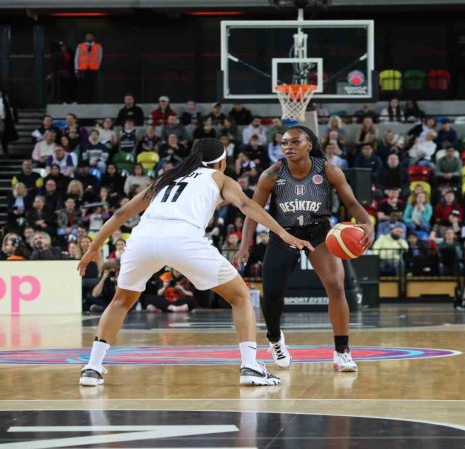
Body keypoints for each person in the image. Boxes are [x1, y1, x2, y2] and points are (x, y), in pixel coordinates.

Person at [77, 138, 313, 387]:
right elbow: (245, 205)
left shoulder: (166, 178)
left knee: (121, 302)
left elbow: (121, 214)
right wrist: (284, 233)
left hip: (143, 239)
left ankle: (92, 367)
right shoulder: (219, 178)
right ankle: (250, 366)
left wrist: (93, 248)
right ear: (221, 161)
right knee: (240, 297)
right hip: (183, 239)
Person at [234, 126, 375, 373]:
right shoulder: (272, 174)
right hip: (284, 234)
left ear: (309, 145)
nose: (288, 147)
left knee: (336, 286)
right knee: (273, 292)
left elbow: (351, 202)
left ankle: (342, 352)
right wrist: (245, 244)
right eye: (284, 143)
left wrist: (368, 222)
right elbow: (252, 212)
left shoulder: (328, 170)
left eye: (295, 142)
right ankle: (275, 339)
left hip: (318, 233)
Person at [74, 32, 103, 103]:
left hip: (93, 70)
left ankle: (92, 101)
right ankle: (82, 101)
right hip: (82, 69)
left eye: (90, 36)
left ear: (93, 37)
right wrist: (76, 69)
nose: (89, 37)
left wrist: (97, 67)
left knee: (92, 87)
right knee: (82, 86)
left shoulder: (98, 46)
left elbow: (100, 58)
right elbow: (76, 58)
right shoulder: (80, 46)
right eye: (87, 36)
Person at [0, 88, 18, 157]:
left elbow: (9, 110)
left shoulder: (5, 100)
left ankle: (5, 151)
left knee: (4, 137)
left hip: (3, 120)